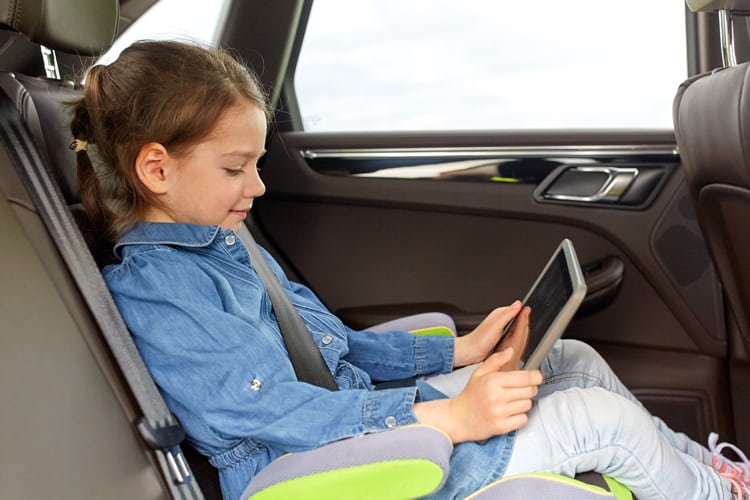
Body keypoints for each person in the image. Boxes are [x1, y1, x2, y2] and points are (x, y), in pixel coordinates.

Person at [70, 40, 750, 500]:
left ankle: (708, 471)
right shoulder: (157, 292)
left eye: (256, 164)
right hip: (324, 468)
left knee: (570, 357)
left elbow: (331, 343)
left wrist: (456, 348)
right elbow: (273, 412)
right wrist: (450, 417)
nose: (258, 185)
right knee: (601, 422)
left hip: (356, 419)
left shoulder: (223, 242)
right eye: (235, 167)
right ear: (156, 168)